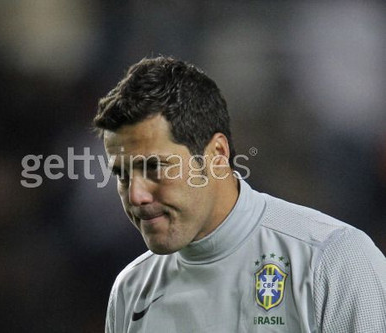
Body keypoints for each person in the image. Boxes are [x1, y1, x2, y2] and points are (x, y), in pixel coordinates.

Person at [93, 56, 386, 333]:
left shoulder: (334, 259)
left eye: (155, 168)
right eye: (122, 175)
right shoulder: (131, 290)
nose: (136, 196)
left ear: (217, 155)